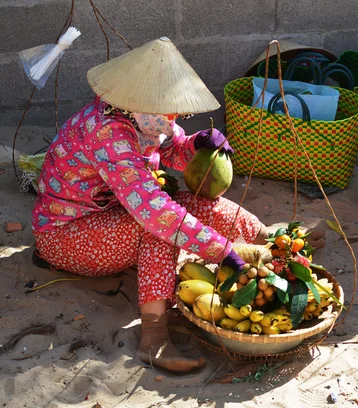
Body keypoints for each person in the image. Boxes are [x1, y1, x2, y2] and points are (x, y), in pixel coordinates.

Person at [30, 37, 324, 374]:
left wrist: (196, 143)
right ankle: (153, 337)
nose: (175, 117)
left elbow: (169, 150)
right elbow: (156, 214)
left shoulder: (142, 117)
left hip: (114, 214)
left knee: (188, 205)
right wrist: (222, 252)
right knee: (159, 227)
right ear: (140, 101)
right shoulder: (105, 132)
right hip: (65, 235)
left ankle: (263, 236)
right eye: (169, 110)